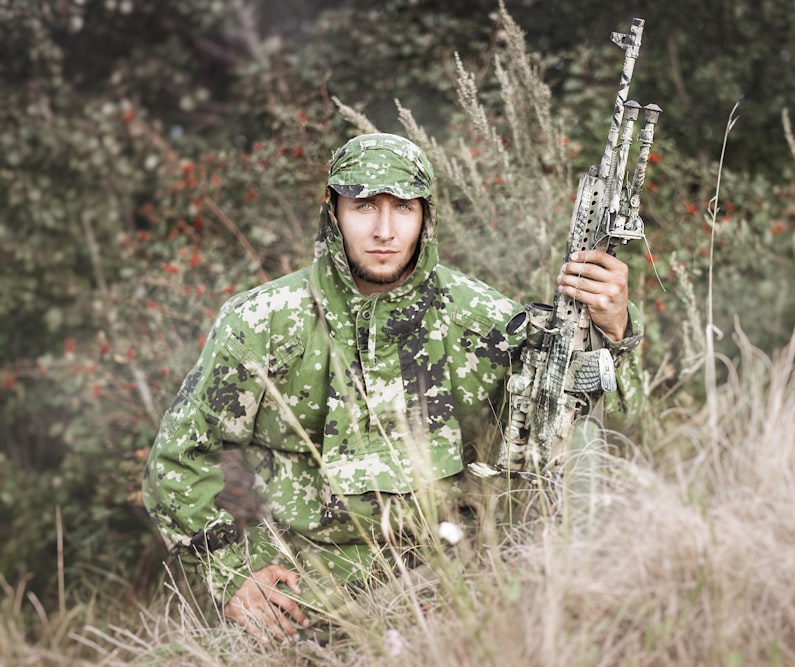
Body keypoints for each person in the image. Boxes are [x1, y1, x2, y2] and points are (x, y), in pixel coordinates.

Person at [142, 133, 643, 641]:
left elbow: (596, 432)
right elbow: (179, 457)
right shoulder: (264, 322)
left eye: (403, 207)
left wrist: (615, 329)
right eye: (363, 205)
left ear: (426, 216)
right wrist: (232, 575)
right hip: (301, 590)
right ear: (333, 212)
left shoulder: (481, 319)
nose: (384, 230)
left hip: (453, 581)